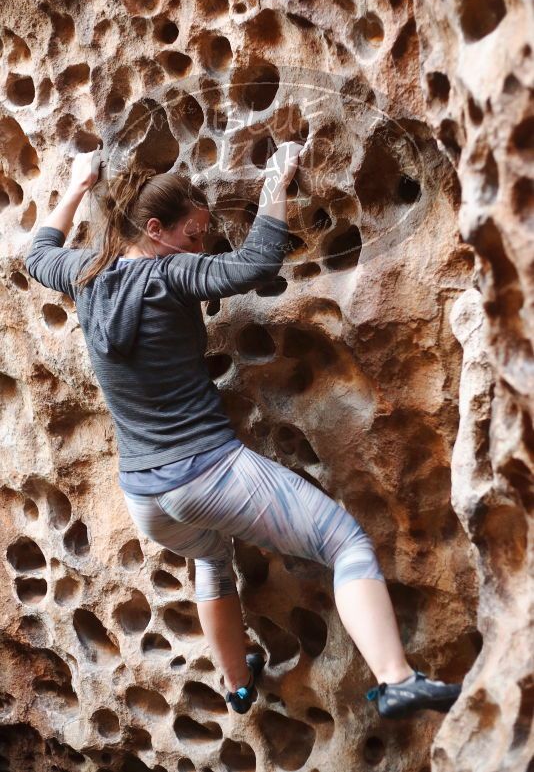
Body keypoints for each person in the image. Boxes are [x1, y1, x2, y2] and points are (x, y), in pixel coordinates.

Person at [24, 144, 462, 719]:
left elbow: (37, 253)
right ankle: (397, 678)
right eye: (194, 234)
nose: (201, 247)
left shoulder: (86, 273)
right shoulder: (169, 274)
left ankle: (236, 684)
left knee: (210, 558)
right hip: (206, 473)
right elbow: (256, 265)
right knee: (346, 542)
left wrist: (79, 183)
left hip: (146, 496)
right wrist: (278, 181)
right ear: (155, 230)